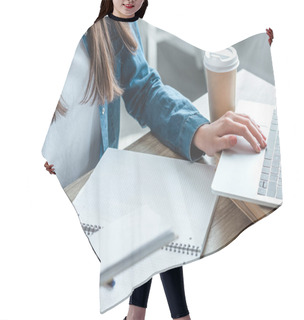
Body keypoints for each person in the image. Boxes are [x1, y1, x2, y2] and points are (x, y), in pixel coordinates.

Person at [44, 1, 267, 319]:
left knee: (157, 214)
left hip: (104, 173)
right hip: (72, 183)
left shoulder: (120, 25)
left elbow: (144, 88)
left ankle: (141, 315)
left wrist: (197, 130)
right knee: (151, 220)